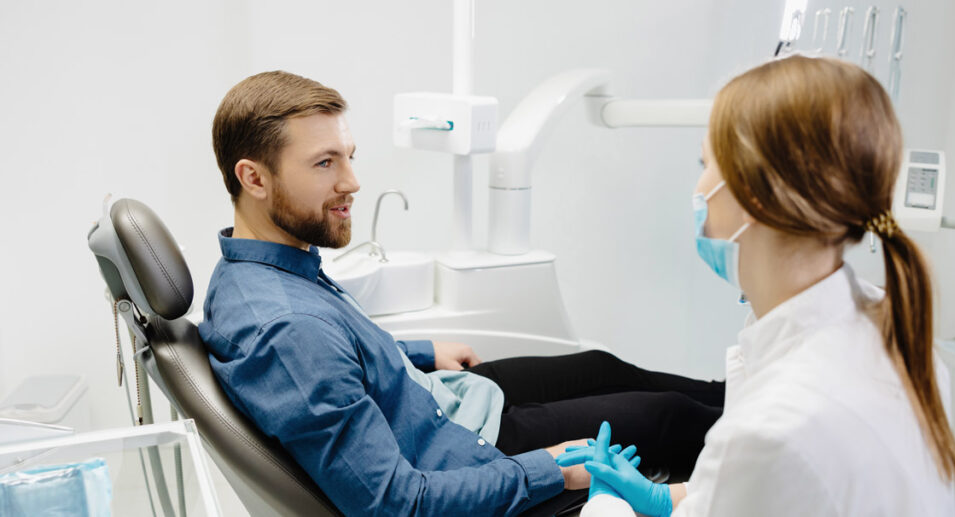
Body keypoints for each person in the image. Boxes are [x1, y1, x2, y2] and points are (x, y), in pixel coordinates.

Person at [198, 70, 725, 516]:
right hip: (467, 451)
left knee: (600, 365)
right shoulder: (288, 329)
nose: (353, 182)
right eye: (325, 163)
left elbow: (338, 361)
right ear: (254, 178)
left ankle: (746, 388)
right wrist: (546, 471)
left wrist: (421, 354)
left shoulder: (258, 268)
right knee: (667, 417)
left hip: (440, 400)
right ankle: (778, 441)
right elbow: (394, 502)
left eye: (348, 157)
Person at [559, 55, 955, 516]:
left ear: (753, 194)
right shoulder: (894, 330)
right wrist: (666, 499)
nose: (698, 186)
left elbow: (768, 472)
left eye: (705, 163)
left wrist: (606, 509)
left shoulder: (775, 427)